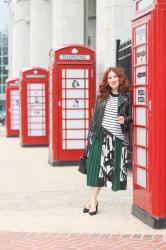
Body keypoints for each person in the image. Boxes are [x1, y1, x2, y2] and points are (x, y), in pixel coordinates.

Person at [83, 67, 132, 216]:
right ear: (107, 81)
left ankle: (91, 201)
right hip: (100, 136)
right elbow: (94, 118)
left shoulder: (127, 97)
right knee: (96, 171)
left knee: (105, 172)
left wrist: (125, 119)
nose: (112, 80)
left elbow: (133, 116)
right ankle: (93, 202)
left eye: (114, 77)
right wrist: (90, 139)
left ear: (120, 78)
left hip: (117, 139)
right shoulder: (102, 96)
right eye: (109, 78)